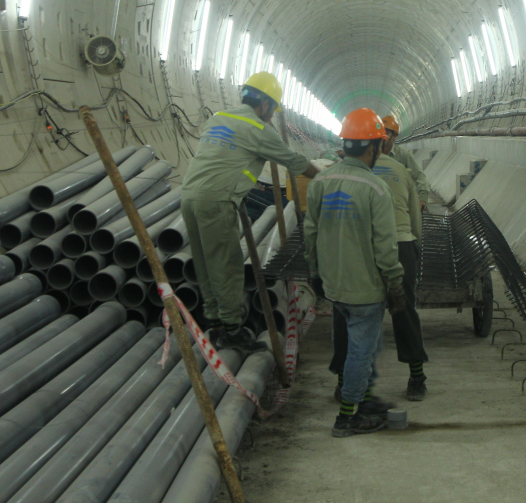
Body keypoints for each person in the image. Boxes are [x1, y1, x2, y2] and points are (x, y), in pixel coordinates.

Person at [181, 71, 319, 354]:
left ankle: (214, 322)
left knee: (205, 263)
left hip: (188, 197)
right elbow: (294, 161)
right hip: (217, 201)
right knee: (227, 265)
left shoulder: (218, 117)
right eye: (271, 111)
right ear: (266, 105)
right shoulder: (259, 129)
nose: (270, 117)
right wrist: (325, 177)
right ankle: (232, 330)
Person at [304, 108, 407, 438]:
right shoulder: (376, 189)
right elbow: (386, 247)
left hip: (334, 285)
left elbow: (310, 232)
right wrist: (395, 284)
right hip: (365, 289)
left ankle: (362, 398)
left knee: (357, 345)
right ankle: (348, 416)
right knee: (362, 351)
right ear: (373, 147)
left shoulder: (321, 181)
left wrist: (316, 273)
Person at [328, 150, 429, 402]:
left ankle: (344, 382)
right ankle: (416, 378)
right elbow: (415, 219)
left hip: (356, 249)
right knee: (404, 311)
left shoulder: (336, 174)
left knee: (346, 313)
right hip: (400, 245)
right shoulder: (399, 170)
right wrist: (414, 246)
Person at [381, 115, 429, 211]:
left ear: (394, 136)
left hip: (400, 205)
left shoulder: (404, 155)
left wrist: (422, 198)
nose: (383, 136)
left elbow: (419, 176)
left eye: (386, 133)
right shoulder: (371, 155)